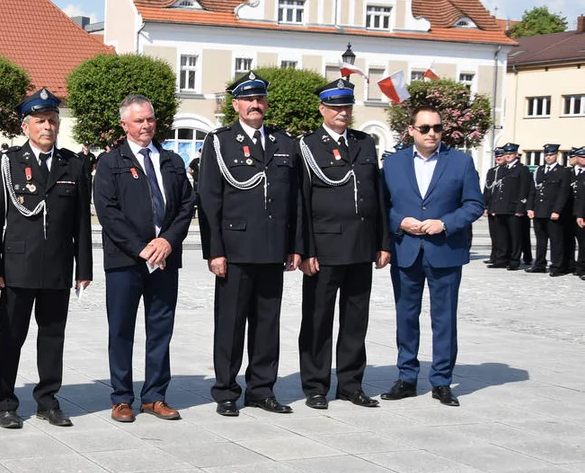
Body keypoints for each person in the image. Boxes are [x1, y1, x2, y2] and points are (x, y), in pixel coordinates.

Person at [197, 71, 301, 416]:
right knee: (230, 324)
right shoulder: (219, 141)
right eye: (248, 100)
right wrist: (215, 250)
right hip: (236, 248)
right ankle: (226, 391)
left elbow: (295, 200)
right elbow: (209, 200)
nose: (255, 105)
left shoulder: (283, 143)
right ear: (236, 104)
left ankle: (261, 388)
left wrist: (295, 245)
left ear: (266, 104)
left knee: (268, 322)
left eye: (260, 100)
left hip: (273, 248)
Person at [0, 89, 92, 429]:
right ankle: (5, 402)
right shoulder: (8, 163)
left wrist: (84, 268)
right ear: (25, 126)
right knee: (11, 335)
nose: (47, 127)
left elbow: (81, 221)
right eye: (40, 121)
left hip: (58, 266)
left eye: (52, 121)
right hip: (17, 266)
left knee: (52, 336)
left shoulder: (73, 164)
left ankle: (48, 400)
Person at [94, 94, 194, 422]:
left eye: (149, 119)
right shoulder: (111, 162)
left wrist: (166, 241)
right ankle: (121, 397)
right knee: (121, 329)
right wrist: (142, 247)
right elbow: (108, 213)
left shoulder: (172, 161)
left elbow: (185, 206)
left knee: (160, 327)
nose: (146, 126)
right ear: (124, 124)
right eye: (139, 121)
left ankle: (154, 396)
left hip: (164, 260)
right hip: (126, 261)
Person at [380, 105, 484, 407]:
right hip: (406, 251)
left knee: (444, 319)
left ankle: (441, 381)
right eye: (424, 128)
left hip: (445, 251)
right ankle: (407, 378)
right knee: (406, 317)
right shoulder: (394, 163)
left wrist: (445, 223)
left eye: (437, 128)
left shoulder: (461, 162)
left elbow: (474, 204)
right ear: (411, 130)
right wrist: (398, 220)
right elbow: (381, 205)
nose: (432, 134)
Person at [296, 79, 390, 410]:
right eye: (335, 107)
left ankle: (350, 383)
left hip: (361, 246)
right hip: (325, 248)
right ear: (322, 109)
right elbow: (302, 202)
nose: (342, 112)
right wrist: (305, 250)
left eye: (347, 106)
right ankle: (315, 385)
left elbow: (376, 196)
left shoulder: (365, 144)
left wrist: (383, 242)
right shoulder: (307, 146)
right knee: (318, 320)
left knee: (355, 320)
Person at [527, 143, 573, 277]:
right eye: (546, 155)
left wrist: (557, 210)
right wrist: (530, 207)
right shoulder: (539, 170)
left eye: (551, 155)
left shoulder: (563, 171)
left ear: (556, 155)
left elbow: (563, 193)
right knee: (541, 240)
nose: (548, 157)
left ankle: (557, 266)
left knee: (556, 241)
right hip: (539, 211)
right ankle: (540, 264)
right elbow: (533, 191)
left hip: (553, 212)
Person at [488, 143, 531, 270]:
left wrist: (520, 208)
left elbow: (524, 189)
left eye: (510, 154)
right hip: (501, 208)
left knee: (515, 236)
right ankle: (501, 259)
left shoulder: (522, 169)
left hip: (514, 209)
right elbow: (497, 190)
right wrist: (494, 207)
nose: (508, 156)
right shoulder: (501, 169)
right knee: (501, 236)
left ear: (516, 155)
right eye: (506, 154)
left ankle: (514, 260)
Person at [482, 147, 506, 265]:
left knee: (502, 235)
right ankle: (494, 256)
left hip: (501, 207)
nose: (498, 158)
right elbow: (487, 189)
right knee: (494, 234)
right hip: (492, 206)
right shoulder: (492, 171)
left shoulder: (506, 170)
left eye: (500, 156)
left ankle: (502, 257)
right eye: (497, 156)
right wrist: (485, 206)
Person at [570, 146, 585, 278]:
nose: (584, 159)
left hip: (582, 213)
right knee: (567, 241)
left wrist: (581, 214)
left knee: (583, 243)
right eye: (581, 156)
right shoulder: (568, 172)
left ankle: (582, 267)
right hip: (569, 213)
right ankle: (571, 265)